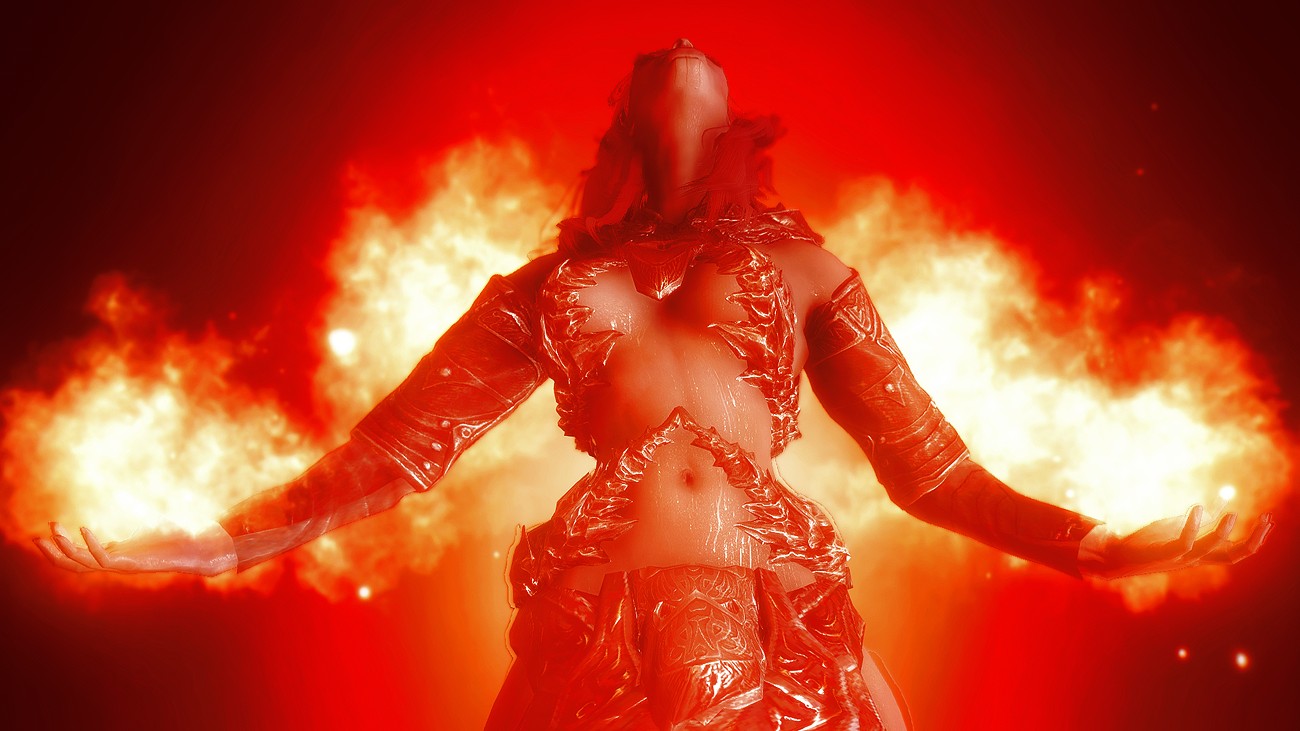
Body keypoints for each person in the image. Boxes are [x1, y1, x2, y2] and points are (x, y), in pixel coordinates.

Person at [36, 40, 1272, 731]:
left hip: (785, 636)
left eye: (704, 60)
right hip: (594, 649)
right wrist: (220, 543)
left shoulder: (808, 270)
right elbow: (389, 456)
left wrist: (1086, 544)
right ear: (626, 120)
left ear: (738, 120)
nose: (681, 46)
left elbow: (933, 470)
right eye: (657, 62)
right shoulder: (541, 289)